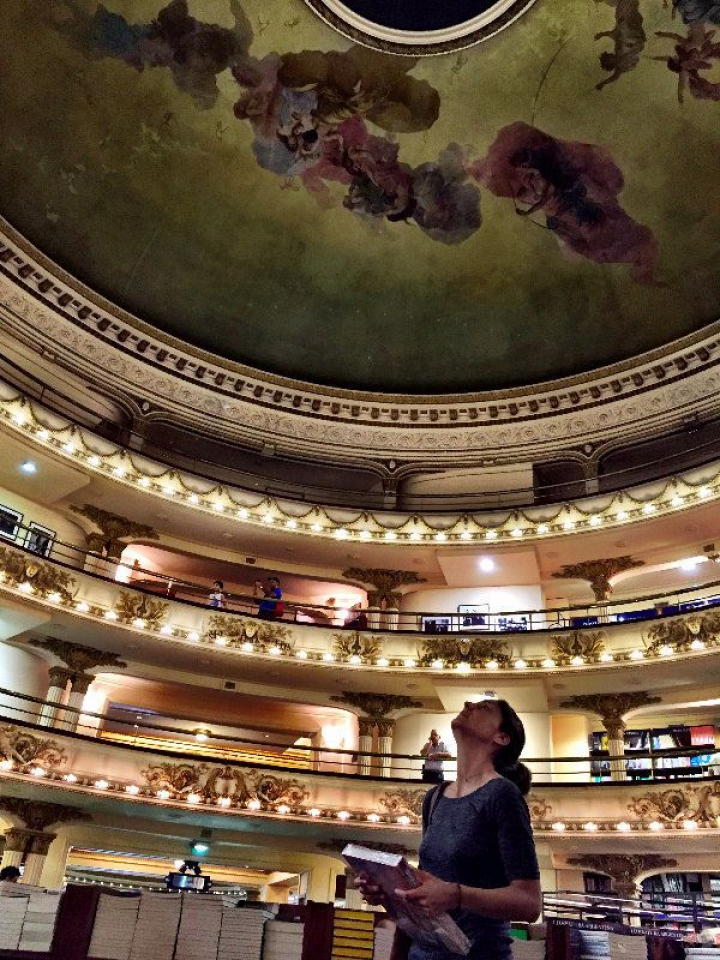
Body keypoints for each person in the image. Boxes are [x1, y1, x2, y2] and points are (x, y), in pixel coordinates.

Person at [356, 698, 541, 960]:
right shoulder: (435, 797)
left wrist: (456, 896)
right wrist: (389, 892)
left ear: (501, 737)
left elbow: (529, 903)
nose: (468, 703)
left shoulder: (503, 795)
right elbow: (423, 892)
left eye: (484, 707)